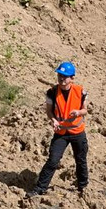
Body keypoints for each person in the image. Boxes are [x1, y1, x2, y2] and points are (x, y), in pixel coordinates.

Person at [28, 62, 90, 197]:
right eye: (60, 75)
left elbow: (85, 110)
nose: (61, 79)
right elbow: (49, 111)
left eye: (65, 76)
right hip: (61, 133)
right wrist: (53, 120)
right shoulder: (51, 93)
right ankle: (40, 187)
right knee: (53, 160)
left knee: (81, 160)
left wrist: (78, 113)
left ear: (72, 78)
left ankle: (83, 187)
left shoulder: (80, 91)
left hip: (77, 132)